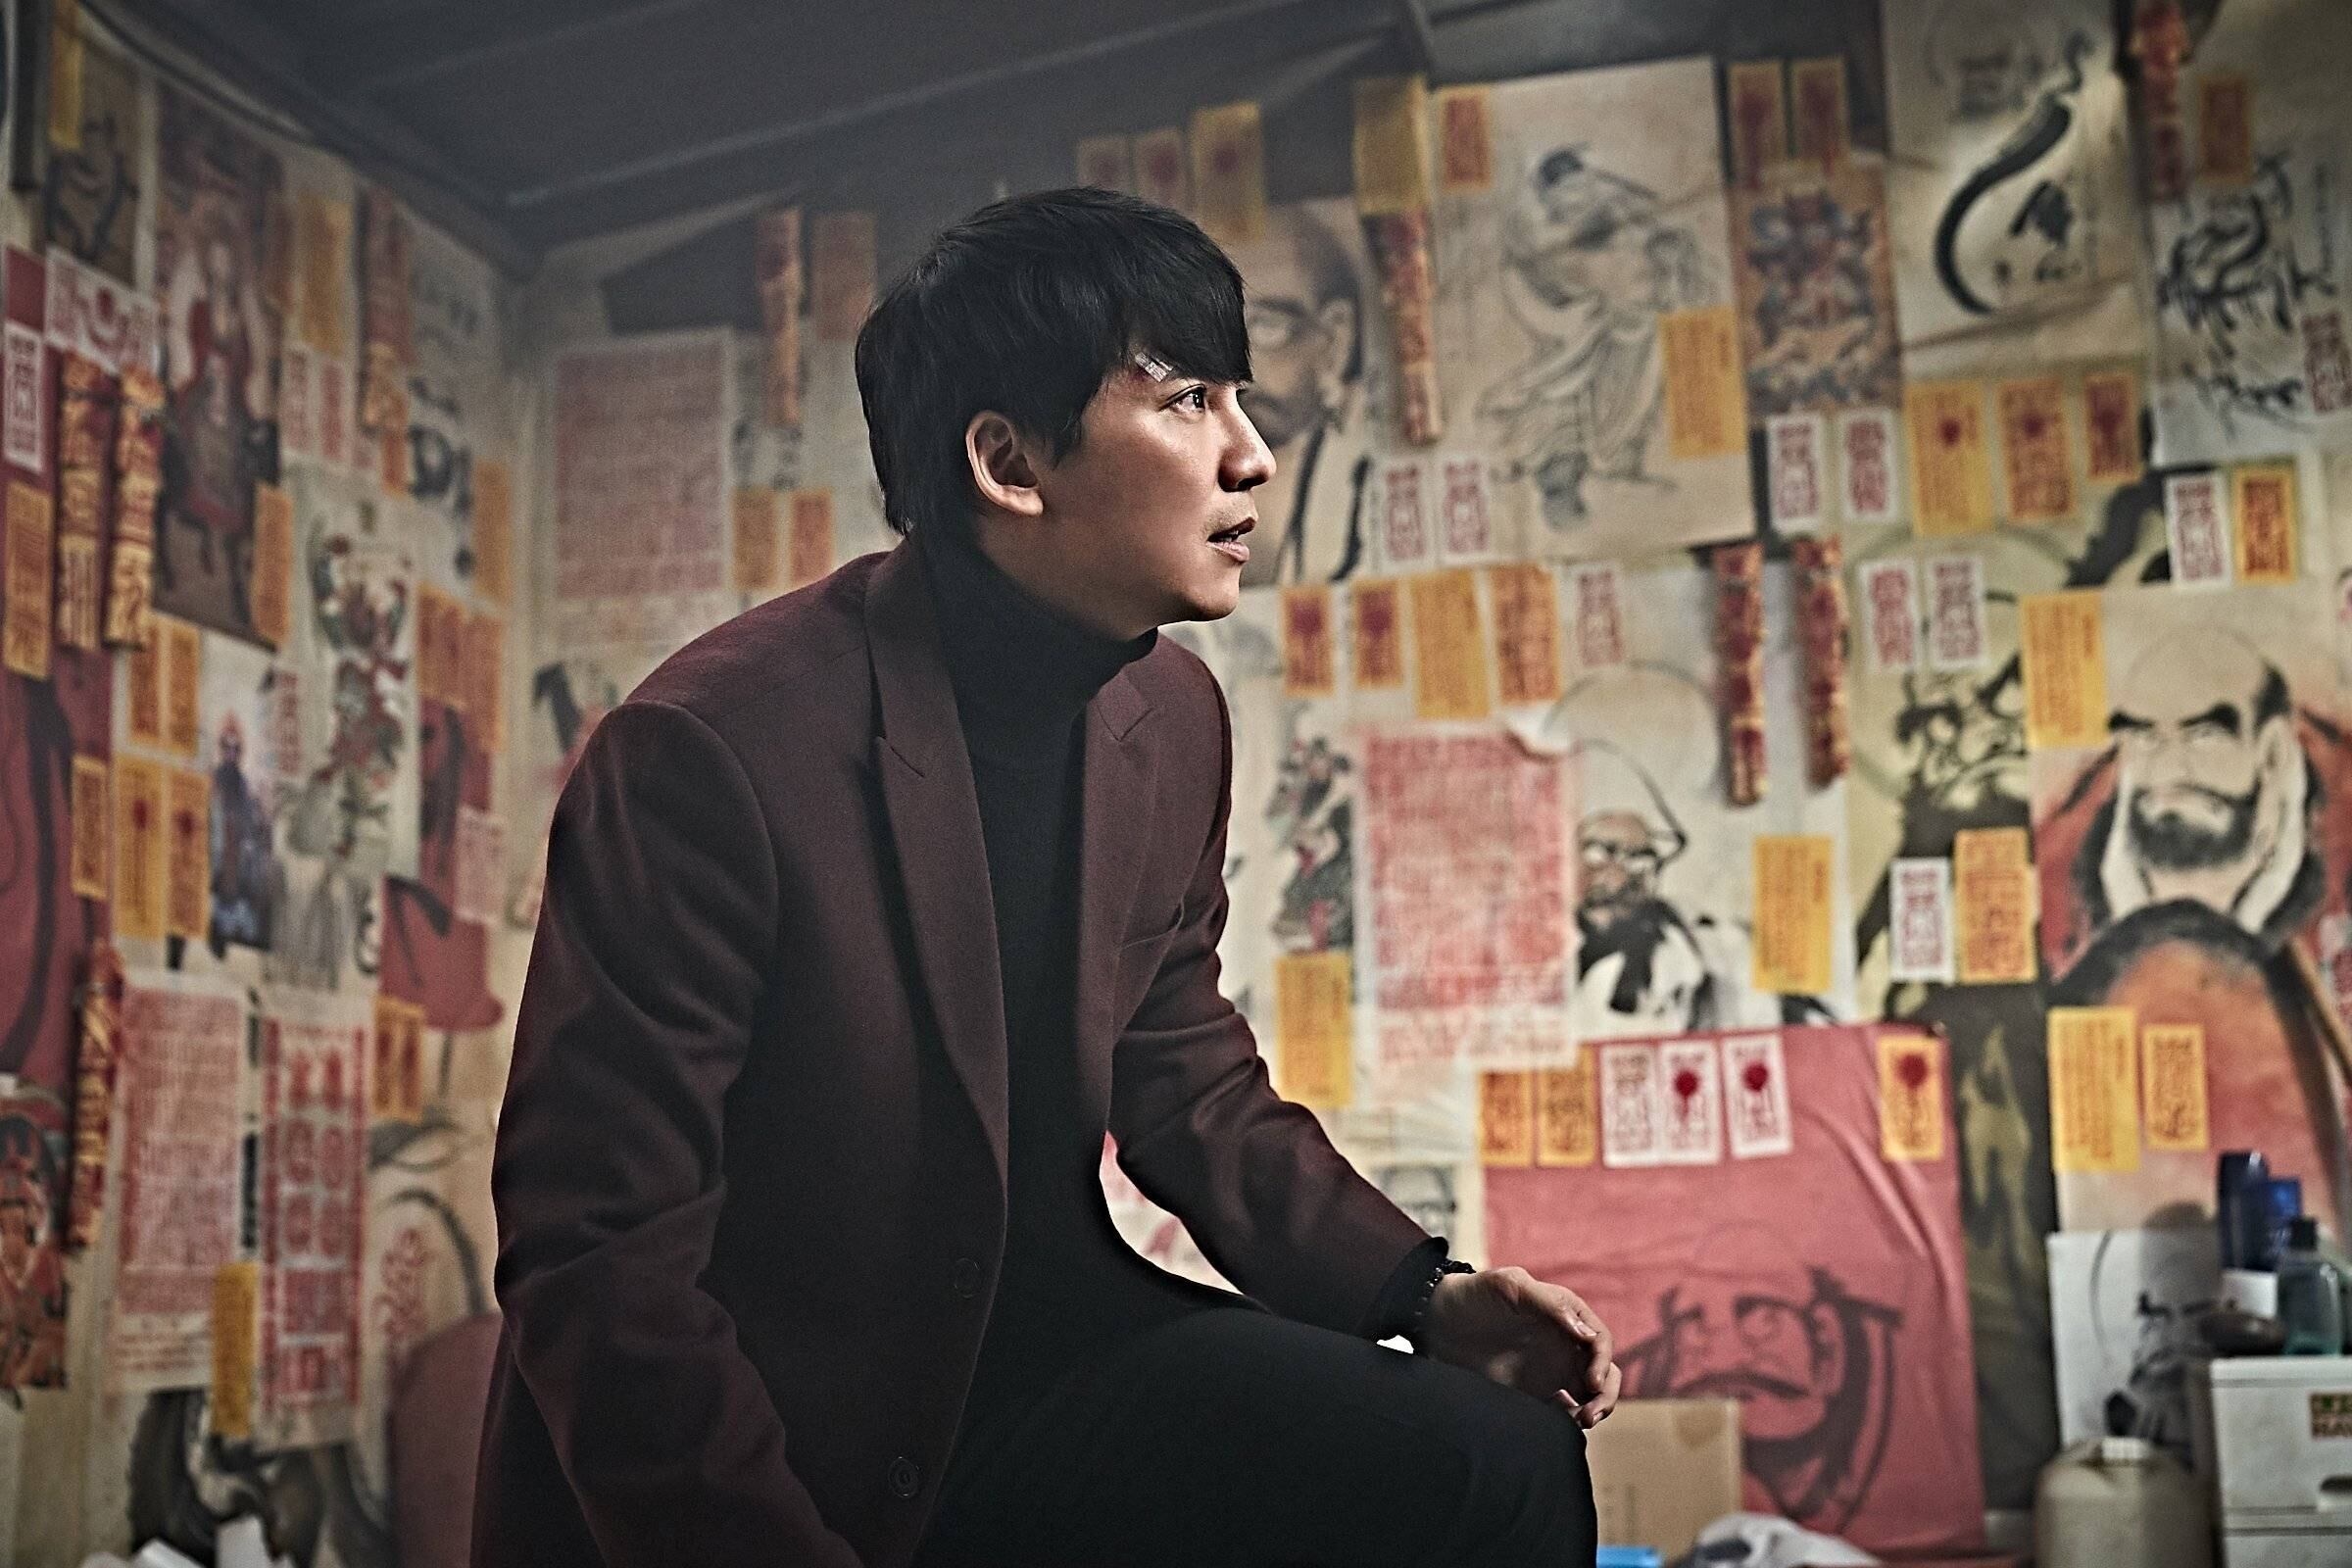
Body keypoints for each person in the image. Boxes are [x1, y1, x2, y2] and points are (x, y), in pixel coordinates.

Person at [474, 188, 1615, 1568]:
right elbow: (598, 1250)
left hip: (1042, 1367)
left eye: (1238, 399)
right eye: (1187, 400)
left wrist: (1422, 1295)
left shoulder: (1172, 718)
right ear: (1010, 464)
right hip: (786, 1422)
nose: (1252, 455)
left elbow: (1183, 1073)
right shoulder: (711, 752)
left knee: (1500, 1463)